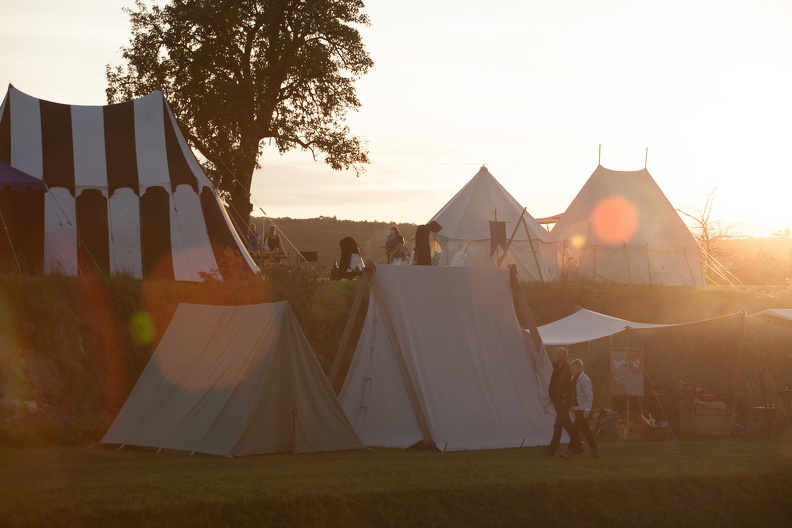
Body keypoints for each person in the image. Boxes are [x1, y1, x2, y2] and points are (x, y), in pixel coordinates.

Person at [540, 347, 581, 457]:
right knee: (568, 425)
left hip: (564, 402)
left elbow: (571, 384)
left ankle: (551, 450)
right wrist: (551, 395)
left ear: (565, 356)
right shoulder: (556, 368)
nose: (557, 355)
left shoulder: (568, 369)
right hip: (557, 401)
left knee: (558, 425)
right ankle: (578, 446)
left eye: (560, 353)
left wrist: (566, 396)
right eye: (556, 353)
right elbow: (553, 383)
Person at [562, 358, 599, 459]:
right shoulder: (573, 378)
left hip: (583, 409)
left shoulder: (584, 379)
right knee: (586, 430)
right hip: (577, 409)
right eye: (571, 369)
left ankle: (571, 450)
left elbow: (589, 395)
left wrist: (587, 410)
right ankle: (594, 450)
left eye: (573, 369)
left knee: (574, 430)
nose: (572, 370)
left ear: (579, 368)